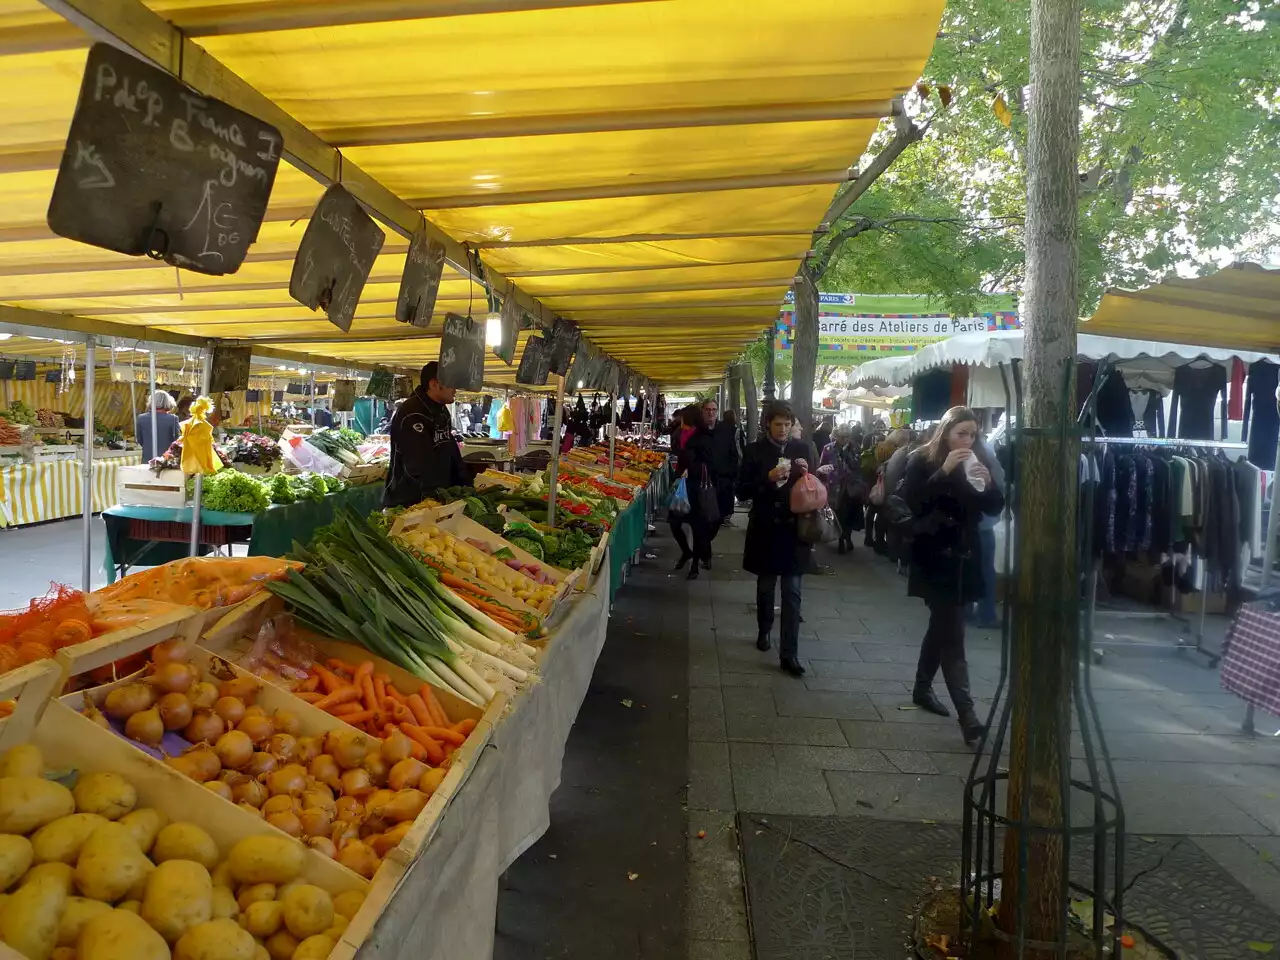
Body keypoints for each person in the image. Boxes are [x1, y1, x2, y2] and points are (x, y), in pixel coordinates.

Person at [901, 406, 1004, 746]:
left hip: (966, 557)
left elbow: (993, 507)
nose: (968, 440)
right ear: (945, 432)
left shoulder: (978, 460)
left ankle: (920, 687)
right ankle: (968, 715)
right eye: (962, 433)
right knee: (953, 632)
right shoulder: (922, 460)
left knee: (942, 626)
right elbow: (912, 502)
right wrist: (944, 471)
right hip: (934, 557)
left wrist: (988, 486)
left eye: (973, 434)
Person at [737, 401, 813, 677]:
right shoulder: (754, 451)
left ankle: (789, 654)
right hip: (767, 528)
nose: (783, 429)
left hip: (795, 530)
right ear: (768, 424)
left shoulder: (801, 449)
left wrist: (807, 473)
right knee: (766, 585)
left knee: (792, 593)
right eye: (778, 424)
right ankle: (764, 628)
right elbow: (742, 491)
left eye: (787, 424)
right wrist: (767, 478)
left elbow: (812, 486)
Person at [383, 361, 470, 509]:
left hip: (436, 497)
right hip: (410, 501)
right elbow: (419, 463)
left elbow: (450, 449)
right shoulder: (412, 412)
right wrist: (435, 496)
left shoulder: (442, 411)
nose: (455, 389)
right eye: (451, 383)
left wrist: (465, 483)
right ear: (434, 384)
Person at [671, 406, 714, 578]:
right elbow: (678, 454)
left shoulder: (703, 437)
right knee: (674, 523)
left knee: (697, 527)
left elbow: (708, 461)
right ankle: (686, 551)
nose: (680, 422)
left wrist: (692, 467)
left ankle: (695, 563)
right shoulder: (680, 435)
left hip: (696, 487)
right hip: (682, 485)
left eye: (682, 419)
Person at [818, 424, 864, 553]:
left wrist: (847, 454)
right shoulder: (828, 448)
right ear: (836, 436)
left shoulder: (854, 448)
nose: (845, 439)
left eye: (847, 436)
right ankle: (841, 540)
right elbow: (822, 466)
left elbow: (858, 465)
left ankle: (847, 537)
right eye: (842, 437)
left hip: (851, 486)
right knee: (838, 514)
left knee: (850, 513)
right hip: (834, 487)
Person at [704, 399, 740, 531]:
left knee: (718, 518)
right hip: (703, 482)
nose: (711, 412)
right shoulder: (698, 430)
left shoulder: (726, 430)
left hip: (723, 480)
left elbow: (733, 454)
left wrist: (732, 476)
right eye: (708, 409)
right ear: (703, 411)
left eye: (713, 410)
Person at [136, 390, 179, 462]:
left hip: (147, 458)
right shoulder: (173, 419)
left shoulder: (141, 418)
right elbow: (177, 440)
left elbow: (140, 439)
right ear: (167, 402)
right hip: (166, 459)